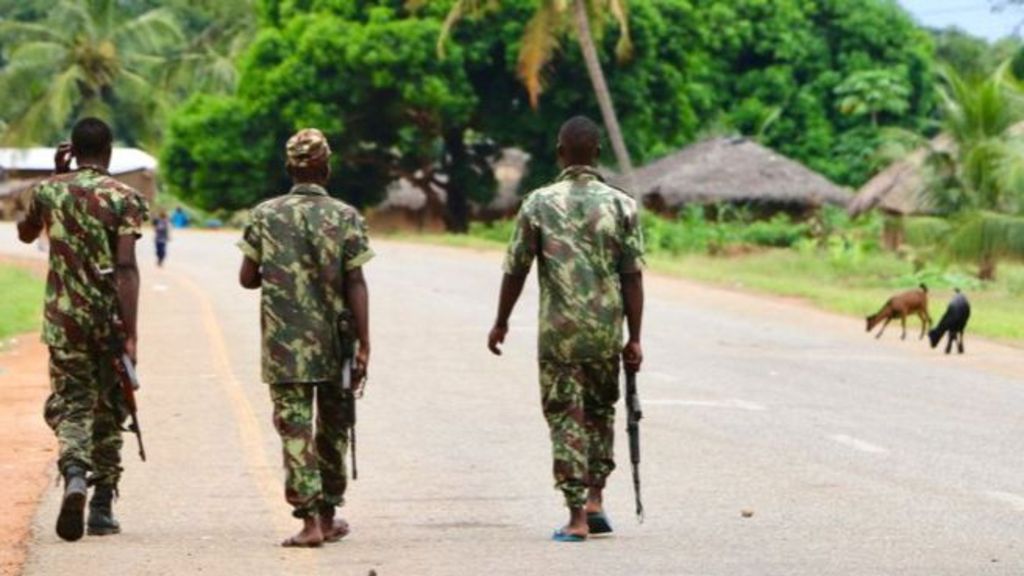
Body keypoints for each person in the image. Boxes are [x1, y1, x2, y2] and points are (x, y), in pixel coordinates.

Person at [487, 116, 645, 542]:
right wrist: (635, 337)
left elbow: (516, 270)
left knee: (565, 417)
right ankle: (595, 501)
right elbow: (632, 276)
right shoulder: (621, 205)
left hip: (559, 336)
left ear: (560, 153)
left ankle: (576, 518)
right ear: (597, 153)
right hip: (604, 334)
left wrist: (501, 321)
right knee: (599, 412)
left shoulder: (538, 204)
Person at [237, 128, 372, 548]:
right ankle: (329, 515)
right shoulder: (345, 215)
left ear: (289, 168)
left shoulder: (264, 215)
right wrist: (365, 343)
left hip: (284, 344)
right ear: (326, 168)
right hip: (336, 341)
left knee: (295, 427)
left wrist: (279, 270)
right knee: (333, 429)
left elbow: (246, 278)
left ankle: (309, 521)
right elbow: (356, 282)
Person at [14, 117, 147, 542]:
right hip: (108, 323)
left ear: (72, 149)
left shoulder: (49, 191)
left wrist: (56, 176)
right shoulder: (124, 197)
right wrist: (130, 333)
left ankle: (74, 473)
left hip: (64, 322)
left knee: (73, 405)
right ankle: (102, 507)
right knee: (110, 407)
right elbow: (125, 267)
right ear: (109, 151)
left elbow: (25, 234)